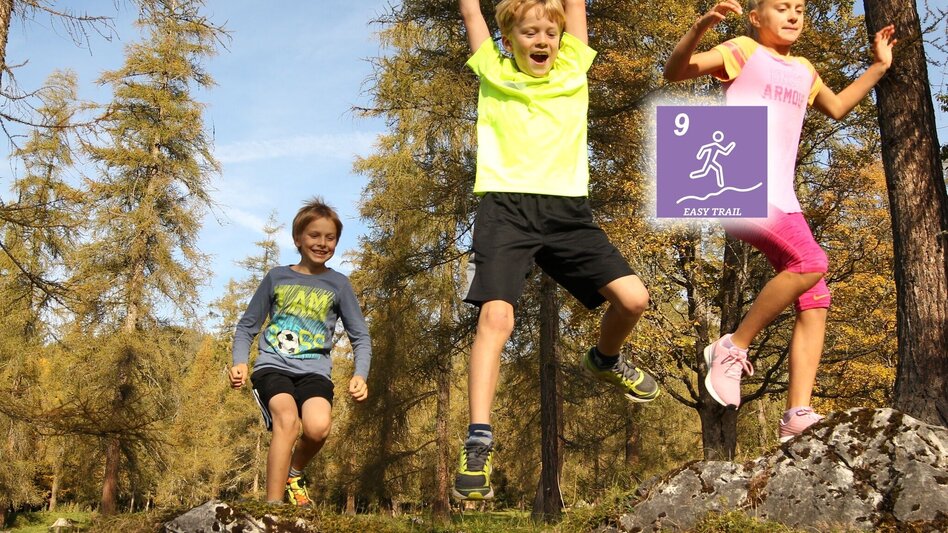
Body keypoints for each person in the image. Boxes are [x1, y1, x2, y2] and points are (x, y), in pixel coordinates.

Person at [663, 0, 896, 442]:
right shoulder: (742, 50)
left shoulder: (805, 69)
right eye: (781, 7)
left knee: (816, 296)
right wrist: (700, 27)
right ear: (756, 17)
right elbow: (676, 71)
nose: (793, 16)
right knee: (811, 262)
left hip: (783, 198)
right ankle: (733, 346)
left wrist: (878, 67)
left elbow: (839, 106)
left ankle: (796, 415)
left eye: (800, 10)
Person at [455, 0, 660, 500]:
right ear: (510, 40)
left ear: (562, 39)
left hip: (568, 214)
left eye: (550, 32)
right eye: (529, 32)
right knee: (496, 319)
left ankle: (605, 359)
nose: (541, 40)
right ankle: (478, 438)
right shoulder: (492, 70)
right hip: (506, 210)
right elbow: (471, 15)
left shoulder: (573, 65)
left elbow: (575, 6)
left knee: (634, 300)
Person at [229, 198, 371, 506]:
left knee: (318, 428)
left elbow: (360, 335)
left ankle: (295, 472)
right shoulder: (277, 277)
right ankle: (274, 508)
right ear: (298, 239)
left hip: (314, 372)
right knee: (288, 421)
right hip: (273, 367)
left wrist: (361, 374)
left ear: (336, 242)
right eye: (314, 235)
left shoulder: (339, 284)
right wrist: (239, 362)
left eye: (329, 237)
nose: (322, 243)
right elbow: (247, 326)